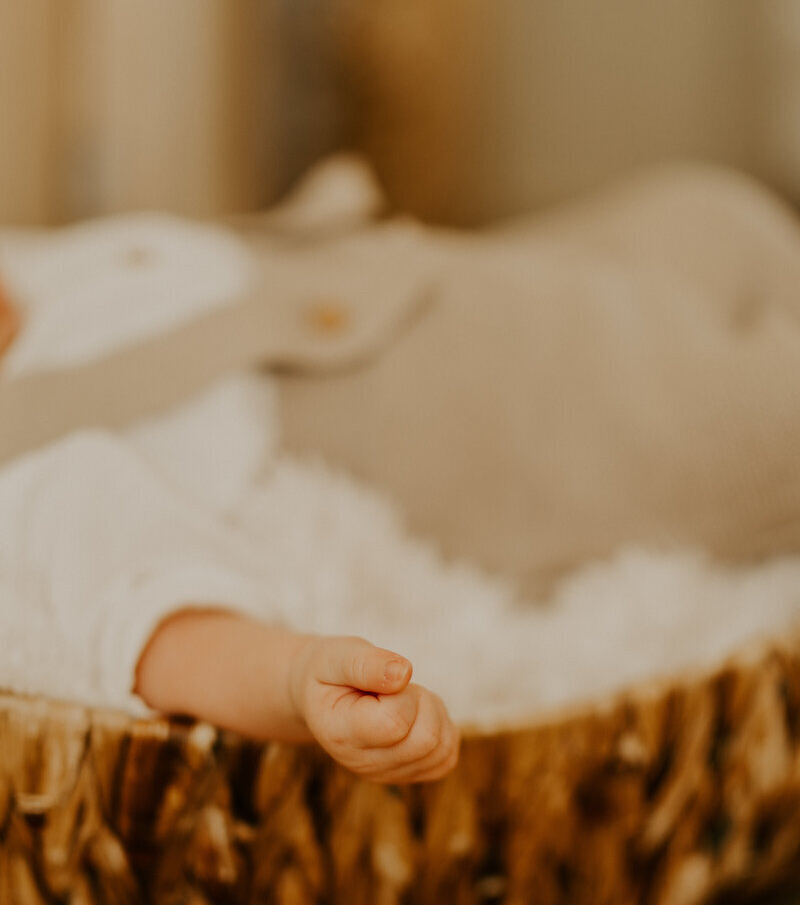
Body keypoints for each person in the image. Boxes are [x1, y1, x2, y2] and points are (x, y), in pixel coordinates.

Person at [3, 156, 800, 783]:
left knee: (714, 217)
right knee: (762, 419)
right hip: (482, 430)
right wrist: (296, 678)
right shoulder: (27, 466)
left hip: (439, 277)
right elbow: (148, 609)